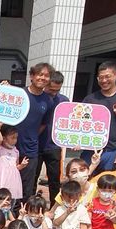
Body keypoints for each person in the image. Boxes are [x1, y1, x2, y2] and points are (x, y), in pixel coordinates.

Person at [82, 61, 116, 173]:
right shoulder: (90, 99)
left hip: (113, 150)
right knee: (84, 181)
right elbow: (80, 123)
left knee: (108, 185)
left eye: (107, 77)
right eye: (101, 78)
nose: (104, 80)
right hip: (90, 150)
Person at [16, 62, 55, 203]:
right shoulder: (19, 94)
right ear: (32, 76)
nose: (42, 78)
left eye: (46, 76)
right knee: (7, 183)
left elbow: (43, 124)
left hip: (30, 149)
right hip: (10, 147)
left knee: (26, 187)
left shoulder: (48, 101)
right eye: (39, 74)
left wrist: (31, 135)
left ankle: (21, 217)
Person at [36, 71, 69, 206]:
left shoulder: (64, 102)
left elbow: (69, 124)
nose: (53, 93)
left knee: (54, 181)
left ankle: (55, 208)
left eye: (57, 90)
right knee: (31, 179)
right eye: (51, 89)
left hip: (54, 146)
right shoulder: (38, 98)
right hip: (36, 146)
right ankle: (28, 206)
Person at [0, 124, 25, 202]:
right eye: (12, 138)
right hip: (1, 180)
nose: (15, 140)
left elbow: (16, 166)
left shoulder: (16, 151)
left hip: (12, 182)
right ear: (4, 138)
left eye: (16, 138)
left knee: (10, 202)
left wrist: (22, 165)